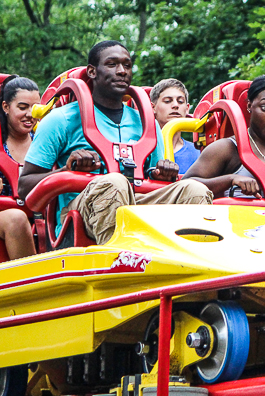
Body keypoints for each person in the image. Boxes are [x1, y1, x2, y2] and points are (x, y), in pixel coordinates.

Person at [19, 41, 212, 245]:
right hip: (78, 214)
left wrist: (161, 173)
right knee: (115, 182)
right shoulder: (61, 119)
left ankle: (198, 265)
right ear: (92, 72)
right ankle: (118, 260)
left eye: (127, 66)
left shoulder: (147, 123)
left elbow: (155, 180)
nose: (122, 71)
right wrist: (67, 171)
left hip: (136, 203)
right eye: (112, 64)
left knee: (195, 189)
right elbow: (25, 187)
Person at [0, 76, 40, 260]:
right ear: (6, 107)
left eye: (36, 108)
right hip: (8, 215)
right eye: (23, 108)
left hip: (40, 214)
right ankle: (33, 286)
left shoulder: (45, 138)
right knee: (16, 219)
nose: (31, 114)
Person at [150, 78, 199, 174]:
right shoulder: (144, 148)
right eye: (168, 101)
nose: (175, 105)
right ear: (153, 107)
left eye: (180, 101)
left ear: (187, 108)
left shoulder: (199, 152)